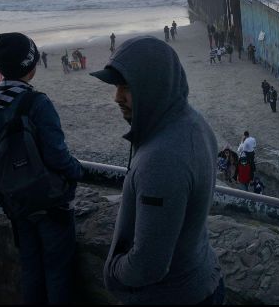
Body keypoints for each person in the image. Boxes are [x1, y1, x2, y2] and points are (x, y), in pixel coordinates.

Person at [90, 36, 223, 305]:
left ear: (153, 87)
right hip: (199, 278)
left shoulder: (162, 160)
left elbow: (148, 265)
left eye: (126, 87)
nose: (117, 97)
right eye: (116, 86)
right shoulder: (193, 122)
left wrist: (113, 271)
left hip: (172, 296)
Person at [0, 32, 82, 304]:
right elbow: (57, 156)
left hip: (16, 204)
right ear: (31, 67)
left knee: (31, 269)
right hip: (49, 203)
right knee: (57, 272)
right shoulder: (37, 103)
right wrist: (76, 172)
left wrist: (11, 180)